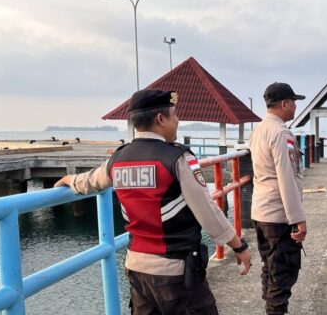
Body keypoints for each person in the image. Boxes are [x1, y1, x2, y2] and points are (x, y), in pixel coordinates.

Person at [55, 89, 251, 315]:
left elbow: (90, 181)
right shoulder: (178, 158)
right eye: (175, 115)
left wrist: (70, 179)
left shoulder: (118, 159)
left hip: (137, 270)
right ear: (161, 119)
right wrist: (239, 246)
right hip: (176, 272)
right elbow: (208, 212)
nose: (178, 121)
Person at [249, 82, 307, 315]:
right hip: (279, 216)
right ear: (284, 104)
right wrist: (298, 218)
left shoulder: (259, 130)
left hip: (260, 212)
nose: (295, 107)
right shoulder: (281, 133)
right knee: (283, 273)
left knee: (270, 268)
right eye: (293, 102)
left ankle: (271, 309)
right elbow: (287, 178)